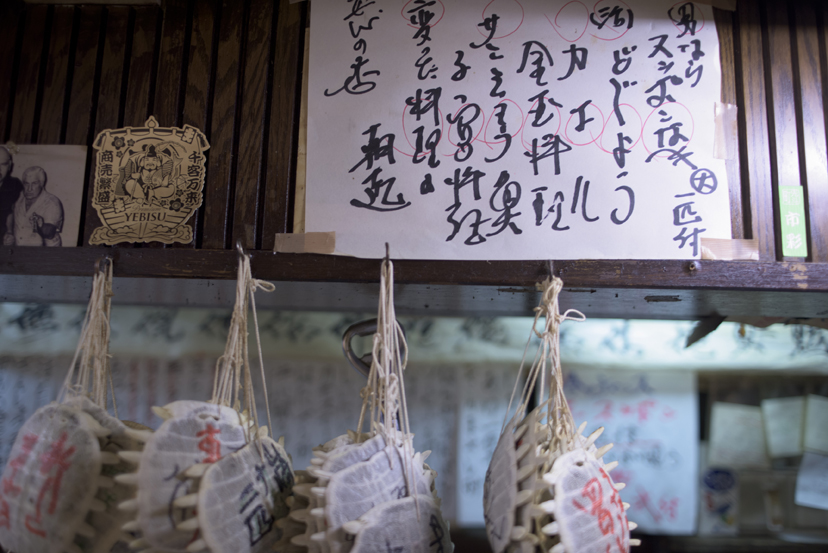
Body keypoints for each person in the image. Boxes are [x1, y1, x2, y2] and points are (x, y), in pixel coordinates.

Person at [3, 166, 64, 247]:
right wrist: (9, 233)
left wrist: (41, 226)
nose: (29, 189)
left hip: (42, 255)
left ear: (42, 184)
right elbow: (10, 213)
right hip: (18, 252)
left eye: (34, 183)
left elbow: (50, 233)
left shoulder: (52, 202)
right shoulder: (18, 197)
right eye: (26, 183)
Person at [0, 147, 23, 241]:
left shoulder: (15, 185)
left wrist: (9, 232)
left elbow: (14, 211)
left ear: (9, 165)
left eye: (3, 164)